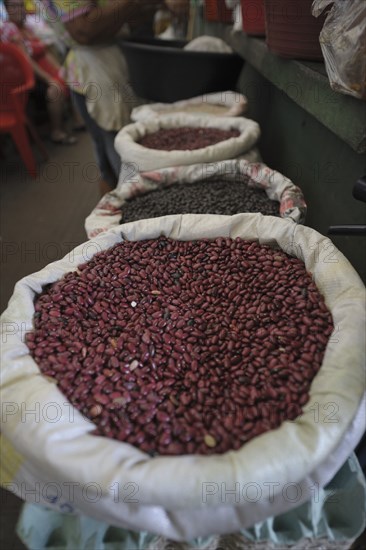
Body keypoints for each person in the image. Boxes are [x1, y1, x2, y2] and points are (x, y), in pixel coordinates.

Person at [39, 0, 190, 194]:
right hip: (97, 71)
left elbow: (124, 17)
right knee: (125, 163)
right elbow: (84, 30)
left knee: (115, 160)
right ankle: (130, 210)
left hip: (112, 67)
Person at [1, 0, 77, 144]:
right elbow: (26, 60)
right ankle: (57, 131)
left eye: (21, 5)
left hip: (41, 72)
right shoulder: (9, 29)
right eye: (14, 6)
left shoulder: (27, 27)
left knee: (70, 78)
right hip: (26, 79)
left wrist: (60, 71)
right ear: (7, 9)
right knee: (55, 89)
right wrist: (50, 79)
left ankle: (77, 121)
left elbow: (44, 51)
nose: (19, 9)